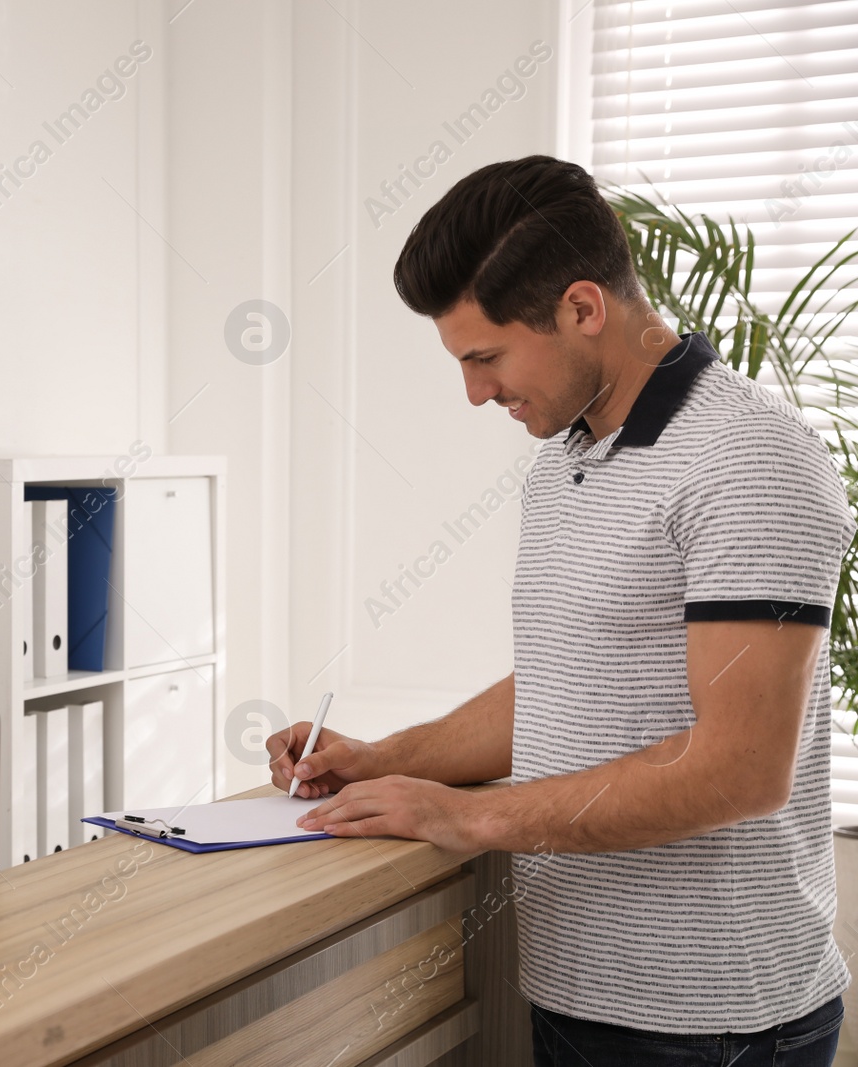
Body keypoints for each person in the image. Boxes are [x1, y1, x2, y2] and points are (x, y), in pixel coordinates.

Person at [269, 156, 853, 1063]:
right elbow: (564, 682)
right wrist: (377, 762)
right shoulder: (568, 455)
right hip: (581, 986)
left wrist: (467, 818)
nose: (473, 392)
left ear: (583, 308)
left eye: (485, 356)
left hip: (713, 1022)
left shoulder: (747, 461)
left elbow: (741, 767)